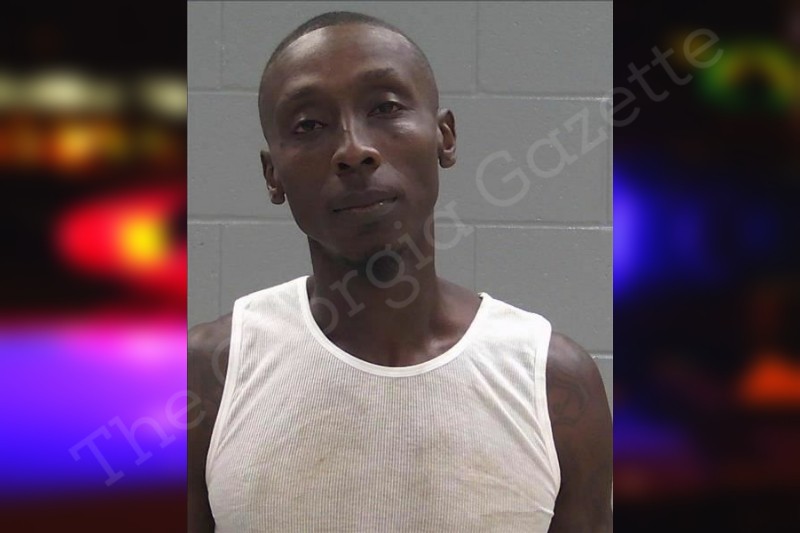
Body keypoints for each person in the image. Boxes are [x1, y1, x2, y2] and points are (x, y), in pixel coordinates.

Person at [188, 11, 612, 533]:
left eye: (385, 107)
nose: (353, 150)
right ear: (273, 175)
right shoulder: (208, 375)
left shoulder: (552, 383)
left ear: (444, 137)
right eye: (309, 125)